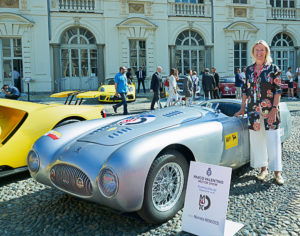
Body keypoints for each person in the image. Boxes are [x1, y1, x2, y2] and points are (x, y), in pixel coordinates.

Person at [234, 39, 284, 185]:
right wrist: (242, 107)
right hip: (253, 110)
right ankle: (264, 169)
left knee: (273, 139)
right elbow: (245, 90)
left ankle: (277, 172)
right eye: (257, 49)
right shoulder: (249, 70)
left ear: (266, 51)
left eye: (262, 49)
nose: (259, 52)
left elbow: (278, 90)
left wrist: (274, 109)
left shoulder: (273, 68)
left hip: (270, 109)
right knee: (257, 140)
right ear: (253, 52)